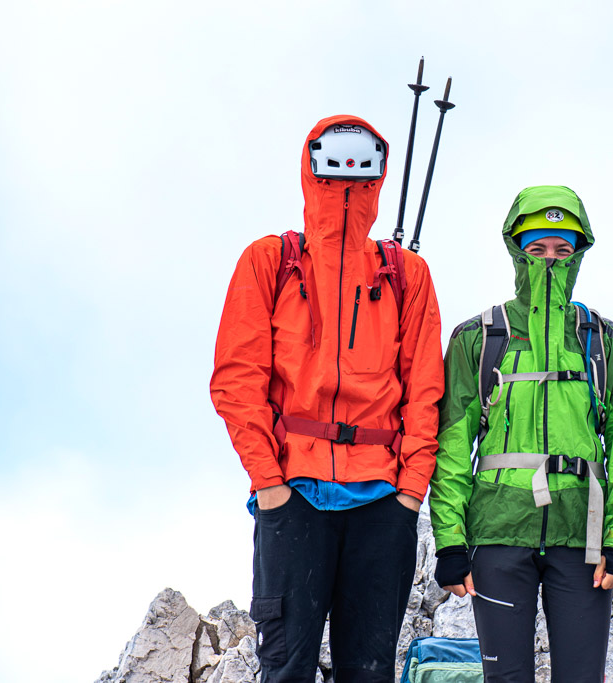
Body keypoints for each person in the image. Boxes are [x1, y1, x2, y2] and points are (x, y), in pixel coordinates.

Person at [210, 115, 443, 682]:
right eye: (333, 162)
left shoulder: (407, 274)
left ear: (379, 175)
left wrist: (411, 493)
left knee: (370, 670)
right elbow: (237, 382)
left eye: (362, 165)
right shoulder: (269, 261)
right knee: (286, 667)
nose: (346, 175)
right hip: (294, 493)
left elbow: (425, 392)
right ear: (311, 166)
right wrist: (269, 484)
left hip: (383, 502)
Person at [428, 185, 613, 682]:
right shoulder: (479, 338)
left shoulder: (604, 341)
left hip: (583, 540)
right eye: (537, 247)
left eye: (562, 248)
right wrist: (449, 542)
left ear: (579, 254)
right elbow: (452, 445)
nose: (550, 258)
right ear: (517, 250)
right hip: (498, 534)